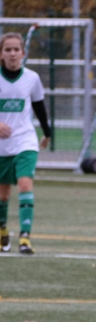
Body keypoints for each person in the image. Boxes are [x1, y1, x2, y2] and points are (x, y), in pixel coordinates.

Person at [0, 32, 51, 255]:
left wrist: (47, 133)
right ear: (1, 54)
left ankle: (25, 238)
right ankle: (2, 230)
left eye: (16, 49)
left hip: (25, 140)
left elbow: (39, 106)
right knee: (3, 194)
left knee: (24, 184)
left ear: (23, 53)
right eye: (7, 49)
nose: (12, 53)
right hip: (2, 146)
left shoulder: (32, 78)